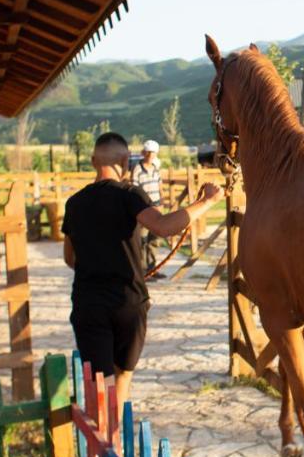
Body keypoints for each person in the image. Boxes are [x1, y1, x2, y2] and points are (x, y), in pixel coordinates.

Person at [63, 132, 221, 407]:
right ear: (125, 161)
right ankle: (114, 438)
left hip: (88, 303)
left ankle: (103, 441)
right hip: (128, 302)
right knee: (122, 376)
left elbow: (69, 257)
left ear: (92, 161)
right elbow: (164, 226)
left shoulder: (74, 203)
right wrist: (205, 201)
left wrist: (96, 264)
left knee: (100, 384)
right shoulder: (129, 194)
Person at [129, 139, 164, 277]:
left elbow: (160, 186)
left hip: (156, 206)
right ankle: (143, 271)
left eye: (153, 153)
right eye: (148, 153)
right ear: (144, 153)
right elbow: (134, 188)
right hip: (144, 208)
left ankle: (152, 268)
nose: (150, 155)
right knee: (143, 240)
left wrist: (162, 202)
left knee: (154, 240)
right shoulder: (137, 169)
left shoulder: (156, 169)